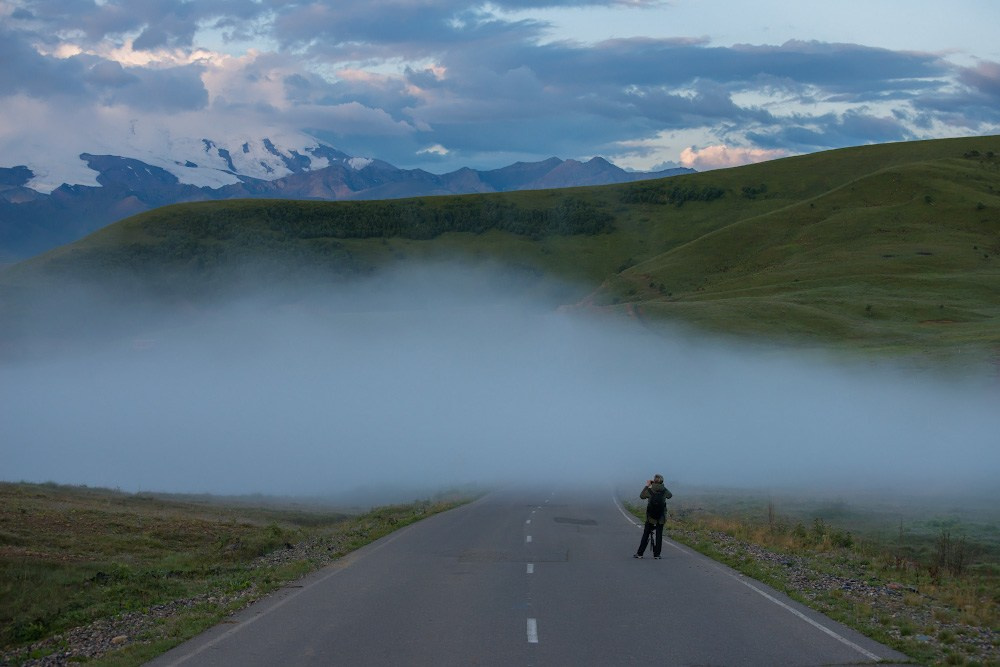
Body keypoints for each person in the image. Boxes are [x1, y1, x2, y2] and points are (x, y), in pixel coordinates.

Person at [634, 474, 672, 559]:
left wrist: (647, 486)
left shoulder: (650, 490)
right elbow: (670, 495)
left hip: (650, 517)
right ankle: (657, 555)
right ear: (662, 481)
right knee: (659, 535)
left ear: (654, 481)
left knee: (646, 534)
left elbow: (642, 496)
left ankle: (640, 553)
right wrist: (662, 487)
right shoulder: (664, 490)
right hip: (661, 517)